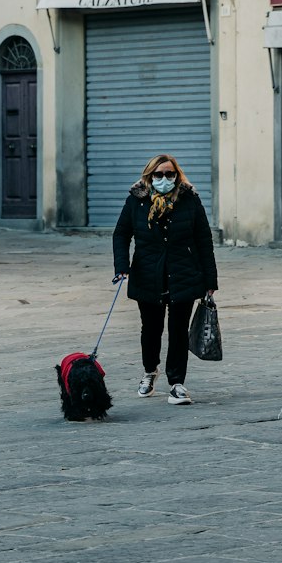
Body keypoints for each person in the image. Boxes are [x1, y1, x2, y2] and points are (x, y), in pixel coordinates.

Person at [112, 153, 218, 406]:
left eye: (170, 174)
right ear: (149, 176)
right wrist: (122, 267)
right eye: (158, 175)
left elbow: (204, 240)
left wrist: (210, 280)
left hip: (184, 273)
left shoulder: (190, 200)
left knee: (178, 331)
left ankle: (177, 383)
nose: (164, 179)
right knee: (151, 329)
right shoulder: (136, 201)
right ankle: (150, 371)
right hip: (147, 274)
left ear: (177, 175)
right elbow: (121, 234)